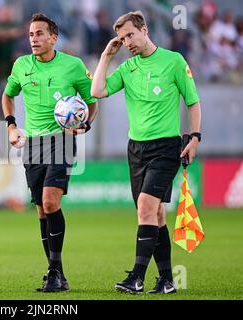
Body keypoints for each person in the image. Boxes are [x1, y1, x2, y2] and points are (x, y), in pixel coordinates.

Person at [91, 11, 202, 294]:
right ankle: (167, 280)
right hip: (136, 149)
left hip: (166, 147)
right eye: (122, 38)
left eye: (130, 35)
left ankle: (136, 278)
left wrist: (195, 137)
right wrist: (106, 55)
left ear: (145, 30)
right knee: (156, 215)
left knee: (144, 207)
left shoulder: (173, 61)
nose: (127, 42)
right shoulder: (127, 69)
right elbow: (98, 91)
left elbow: (192, 101)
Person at [2, 13, 98, 292]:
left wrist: (84, 125)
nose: (34, 38)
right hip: (33, 143)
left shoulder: (73, 65)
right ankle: (56, 273)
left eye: (40, 33)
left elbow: (91, 101)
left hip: (62, 140)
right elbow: (7, 95)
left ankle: (54, 272)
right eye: (31, 34)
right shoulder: (21, 65)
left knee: (51, 203)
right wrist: (11, 126)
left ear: (53, 38)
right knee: (42, 211)